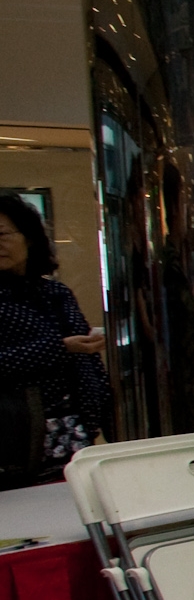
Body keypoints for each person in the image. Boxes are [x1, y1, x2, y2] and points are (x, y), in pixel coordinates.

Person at [0, 194, 106, 489]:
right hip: (15, 437)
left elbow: (87, 356)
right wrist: (60, 348)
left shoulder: (56, 293)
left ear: (29, 237)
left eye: (3, 234)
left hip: (75, 431)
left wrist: (99, 416)